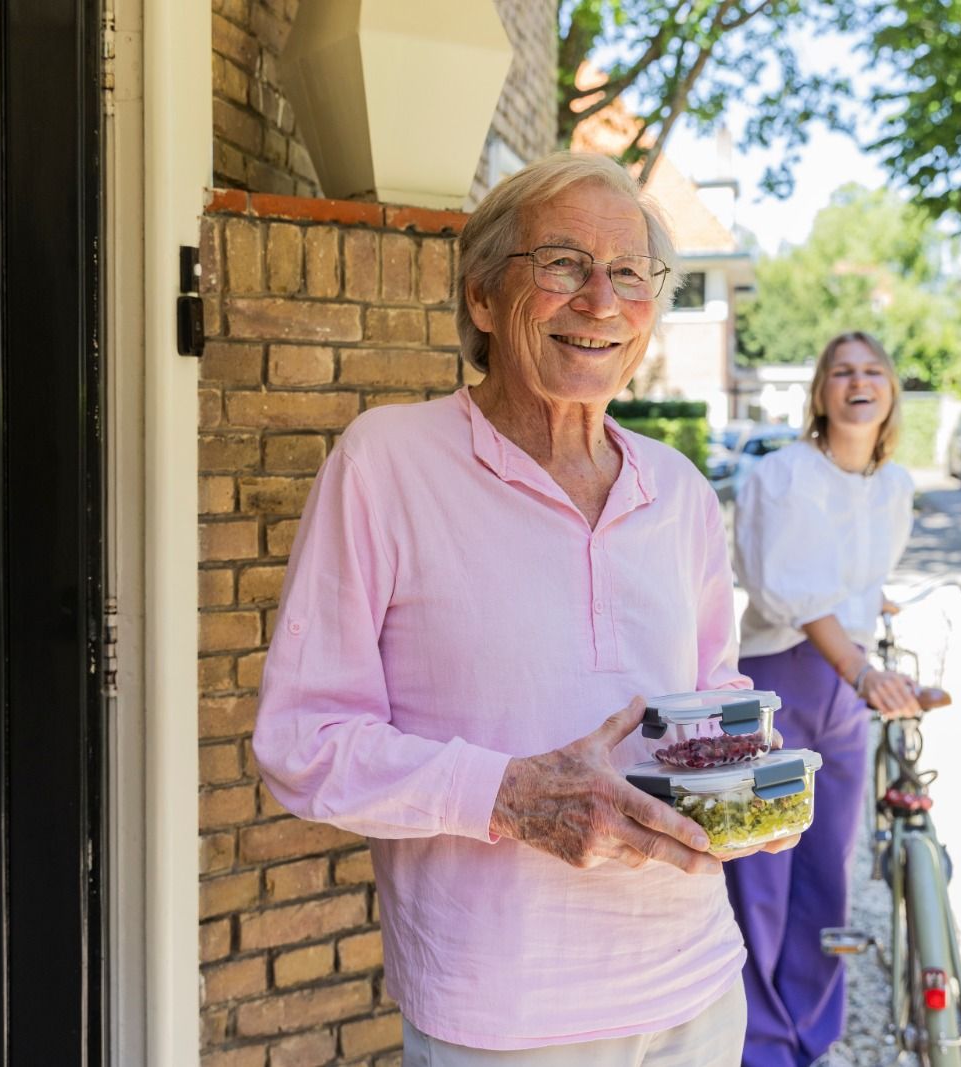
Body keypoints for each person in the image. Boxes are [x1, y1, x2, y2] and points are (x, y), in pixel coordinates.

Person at [253, 152, 795, 1066]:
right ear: (480, 297)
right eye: (562, 265)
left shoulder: (681, 490)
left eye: (629, 273)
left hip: (695, 986)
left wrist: (751, 771)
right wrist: (508, 796)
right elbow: (303, 743)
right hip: (500, 1013)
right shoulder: (385, 463)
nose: (600, 301)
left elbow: (714, 693)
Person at [725, 331, 921, 1067]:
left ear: (892, 390)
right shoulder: (783, 475)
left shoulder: (893, 485)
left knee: (827, 870)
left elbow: (853, 580)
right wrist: (861, 670)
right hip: (783, 679)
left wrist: (877, 626)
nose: (858, 381)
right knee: (761, 871)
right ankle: (759, 1046)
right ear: (819, 392)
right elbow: (792, 588)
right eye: (842, 371)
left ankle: (809, 1033)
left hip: (844, 682)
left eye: (873, 369)